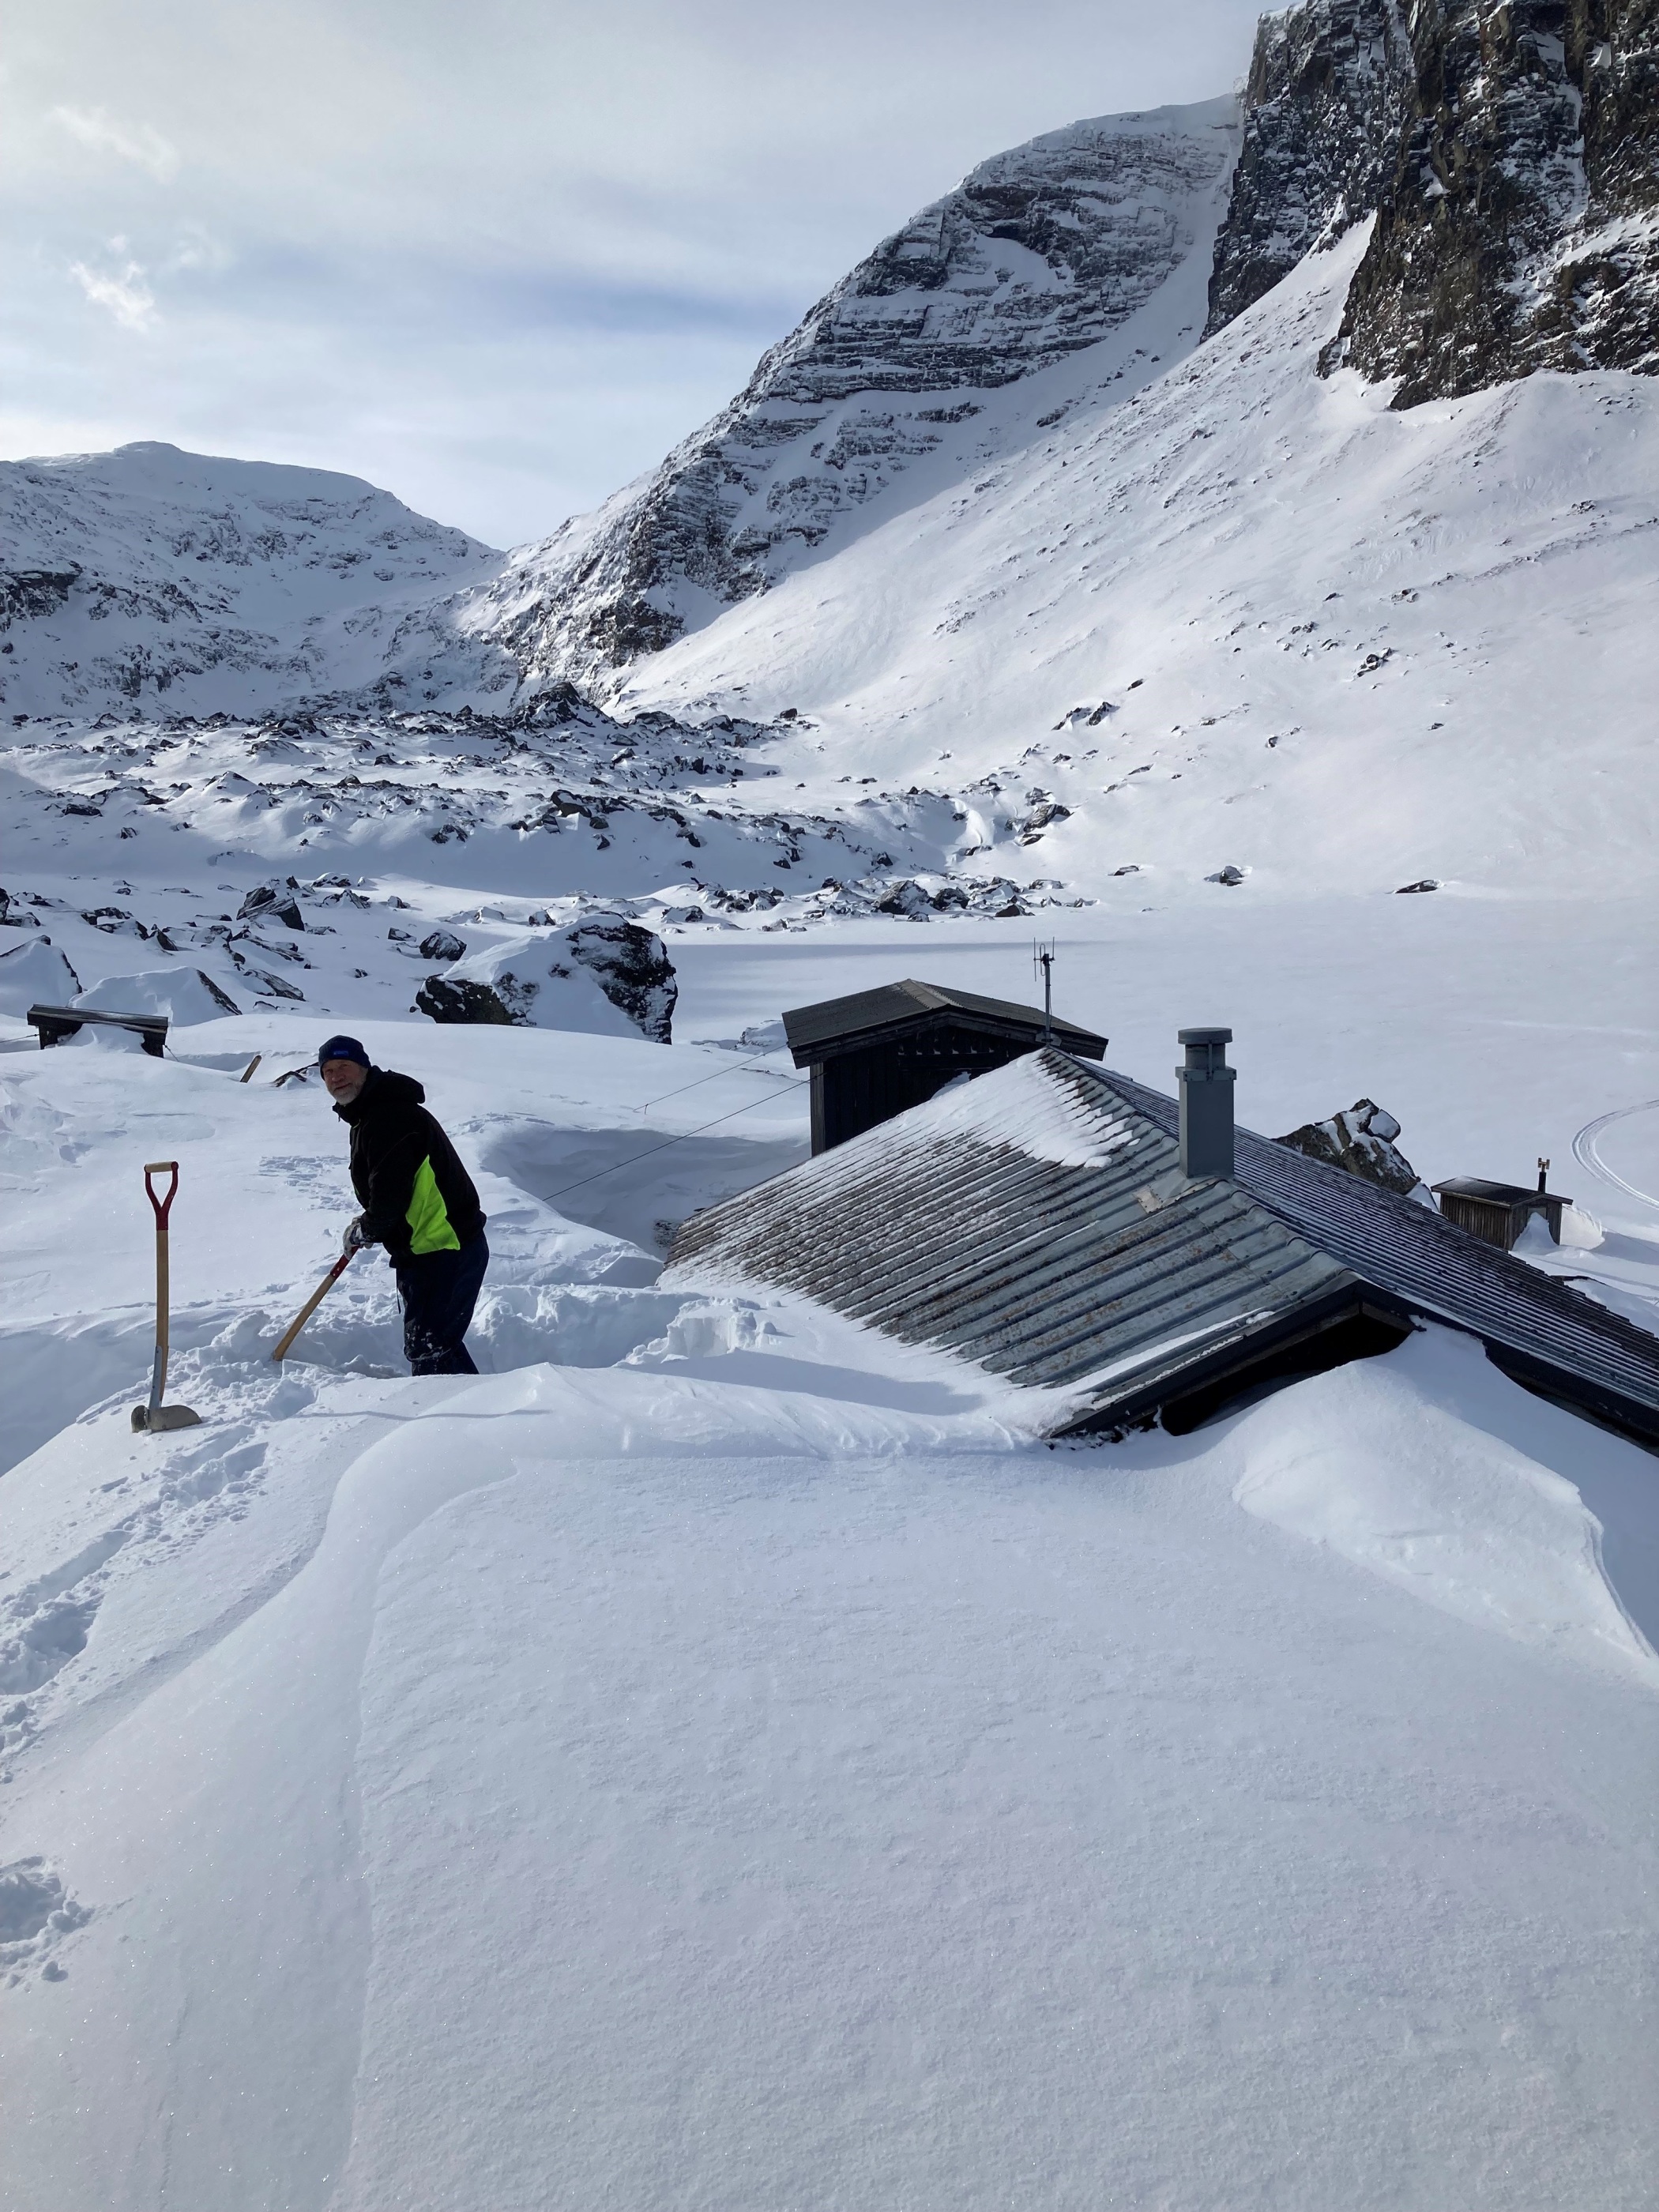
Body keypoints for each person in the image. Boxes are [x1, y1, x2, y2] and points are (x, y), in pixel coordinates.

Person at [317, 1034, 488, 1375]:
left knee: (430, 1350)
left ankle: (449, 1424)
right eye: (328, 1071)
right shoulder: (369, 1115)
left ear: (364, 1068)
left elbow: (390, 1194)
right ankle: (473, 1408)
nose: (336, 1076)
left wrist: (369, 1228)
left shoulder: (388, 1116)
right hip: (427, 1248)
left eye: (344, 1066)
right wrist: (369, 1221)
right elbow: (392, 1187)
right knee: (438, 1346)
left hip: (445, 1247)